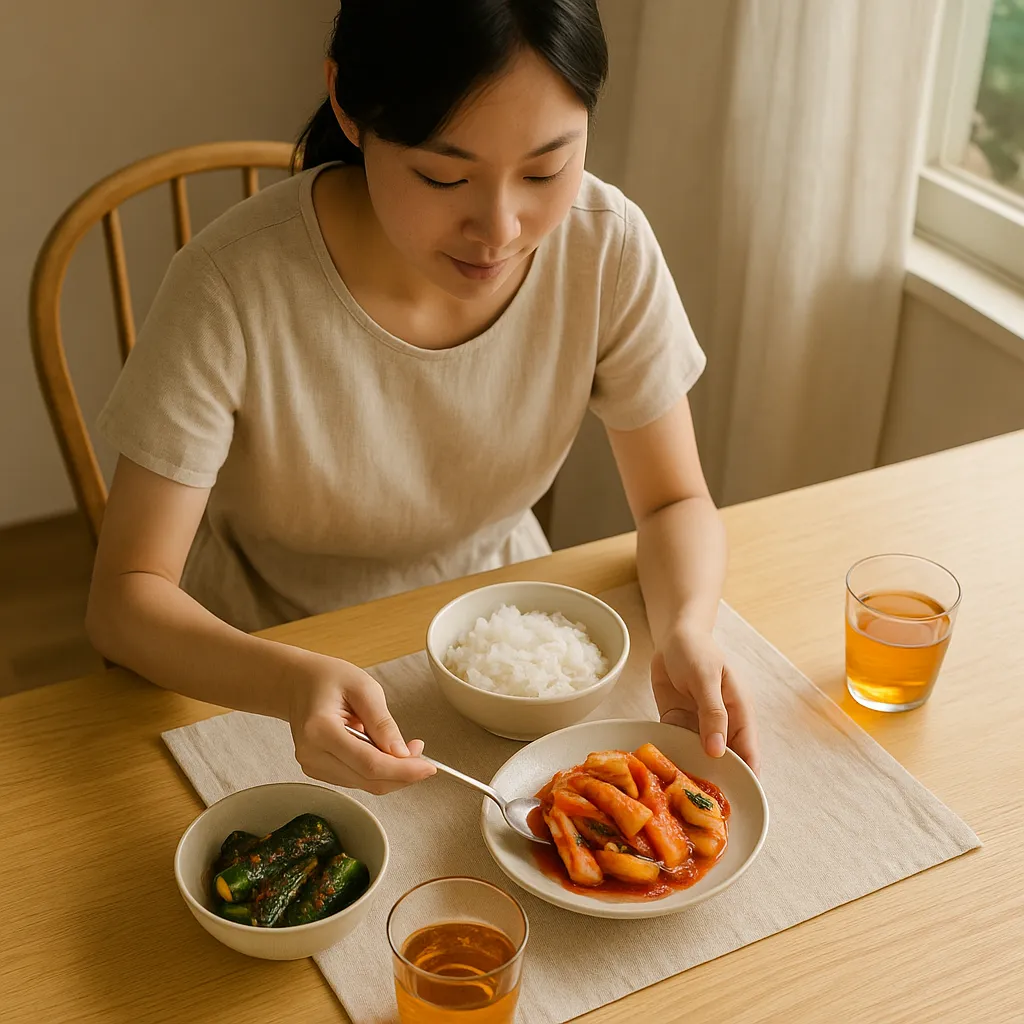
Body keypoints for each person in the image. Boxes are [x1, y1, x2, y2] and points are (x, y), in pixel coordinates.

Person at [87, 0, 760, 795]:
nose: (500, 230)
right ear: (347, 100)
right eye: (445, 175)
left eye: (547, 170)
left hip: (501, 645)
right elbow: (125, 601)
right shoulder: (231, 285)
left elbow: (675, 502)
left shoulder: (606, 245)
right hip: (260, 649)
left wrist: (686, 628)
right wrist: (288, 683)